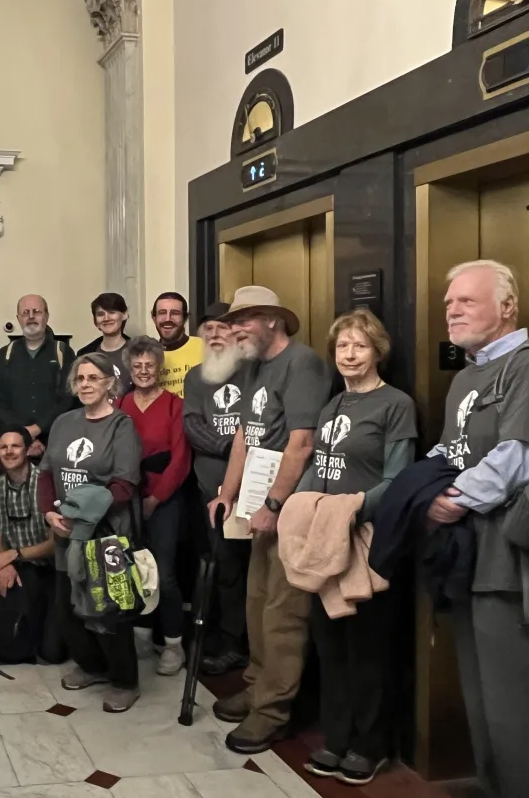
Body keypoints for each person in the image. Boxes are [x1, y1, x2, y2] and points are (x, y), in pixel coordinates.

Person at [425, 260, 529, 798]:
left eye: (466, 301)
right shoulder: (466, 374)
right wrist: (426, 488)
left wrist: (448, 500)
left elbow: (519, 460)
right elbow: (447, 450)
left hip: (516, 572)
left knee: (519, 716)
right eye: (448, 303)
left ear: (506, 307)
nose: (452, 311)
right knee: (484, 713)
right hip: (469, 564)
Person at [292, 309, 417, 786]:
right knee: (330, 645)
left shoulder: (395, 405)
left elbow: (398, 477)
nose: (349, 354)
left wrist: (350, 510)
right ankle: (336, 739)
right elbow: (317, 469)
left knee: (368, 649)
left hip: (365, 541)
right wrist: (298, 509)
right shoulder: (332, 407)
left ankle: (370, 746)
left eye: (359, 346)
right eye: (342, 346)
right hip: (323, 543)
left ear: (377, 351)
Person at [208, 286, 331, 754]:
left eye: (245, 320)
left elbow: (303, 441)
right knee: (256, 599)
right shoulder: (255, 366)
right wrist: (227, 493)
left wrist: (275, 505)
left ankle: (273, 711)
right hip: (257, 502)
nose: (235, 328)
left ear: (273, 320)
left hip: (291, 507)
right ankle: (258, 684)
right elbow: (244, 433)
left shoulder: (303, 363)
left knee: (283, 612)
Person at [40, 352, 143, 713]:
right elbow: (47, 473)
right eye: (80, 378)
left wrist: (81, 517)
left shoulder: (122, 426)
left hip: (105, 533)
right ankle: (93, 667)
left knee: (108, 609)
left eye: (93, 378)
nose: (85, 384)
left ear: (109, 383)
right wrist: (49, 514)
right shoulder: (64, 423)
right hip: (65, 532)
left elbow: (124, 485)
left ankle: (124, 680)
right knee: (70, 607)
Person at [183, 302, 253, 677]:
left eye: (221, 328)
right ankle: (230, 643)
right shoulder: (196, 378)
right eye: (207, 329)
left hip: (255, 491)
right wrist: (233, 448)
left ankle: (251, 644)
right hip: (210, 493)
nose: (213, 335)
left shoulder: (254, 371)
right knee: (222, 568)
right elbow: (192, 425)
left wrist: (241, 459)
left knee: (254, 572)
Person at [118, 336, 192, 675]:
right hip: (128, 499)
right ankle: (141, 637)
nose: (144, 371)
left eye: (150, 365)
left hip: (165, 498)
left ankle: (174, 645)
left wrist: (154, 499)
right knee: (136, 569)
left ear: (159, 368)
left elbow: (180, 459)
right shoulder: (121, 405)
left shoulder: (175, 404)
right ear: (129, 370)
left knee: (164, 572)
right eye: (137, 366)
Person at [0, 427, 63, 663]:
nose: (9, 452)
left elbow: (53, 544)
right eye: (4, 447)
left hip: (47, 568)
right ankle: (5, 625)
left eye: (15, 446)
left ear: (27, 450)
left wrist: (13, 555)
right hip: (16, 564)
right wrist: (4, 565)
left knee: (53, 653)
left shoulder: (46, 484)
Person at [0, 294, 77, 457]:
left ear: (46, 316)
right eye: (25, 312)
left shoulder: (63, 352)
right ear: (18, 318)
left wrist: (38, 429)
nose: (31, 317)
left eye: (36, 311)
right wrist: (24, 434)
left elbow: (68, 399)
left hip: (56, 441)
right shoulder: (4, 356)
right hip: (14, 444)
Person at [151, 291, 204, 397]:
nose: (167, 319)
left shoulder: (204, 347)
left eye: (175, 313)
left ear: (185, 318)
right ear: (154, 318)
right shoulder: (149, 354)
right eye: (162, 313)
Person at [77, 292, 132, 395]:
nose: (106, 318)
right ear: (96, 321)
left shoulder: (138, 351)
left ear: (124, 315)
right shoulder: (85, 354)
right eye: (101, 314)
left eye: (112, 312)